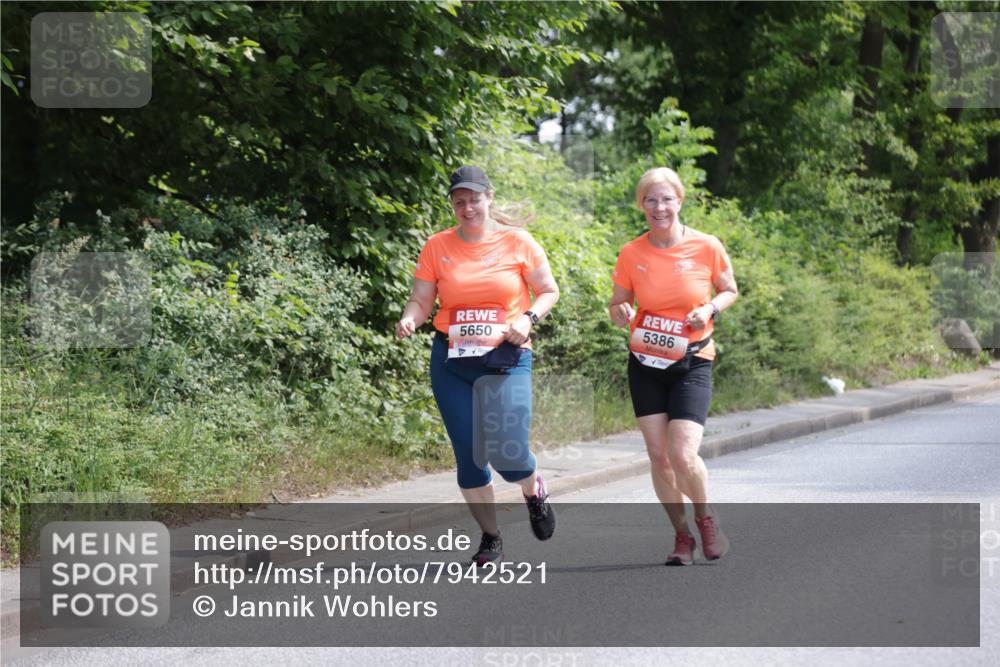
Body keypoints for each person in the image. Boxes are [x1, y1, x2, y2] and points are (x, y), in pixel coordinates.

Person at [396, 166, 560, 566]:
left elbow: (548, 291)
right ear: (453, 204)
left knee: (510, 453)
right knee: (469, 456)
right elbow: (421, 299)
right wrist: (410, 318)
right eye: (459, 201)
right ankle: (490, 539)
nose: (467, 207)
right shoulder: (438, 246)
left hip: (505, 358)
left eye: (474, 198)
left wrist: (528, 319)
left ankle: (532, 489)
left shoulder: (517, 242)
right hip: (452, 361)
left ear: (489, 196)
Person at [608, 167, 739, 565]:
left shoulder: (706, 246)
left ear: (679, 201)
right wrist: (621, 309)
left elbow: (729, 289)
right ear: (641, 206)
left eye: (666, 199)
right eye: (651, 200)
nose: (659, 207)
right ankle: (681, 537)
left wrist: (710, 307)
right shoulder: (632, 252)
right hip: (646, 360)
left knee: (682, 454)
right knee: (658, 456)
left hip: (693, 359)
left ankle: (705, 518)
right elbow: (617, 302)